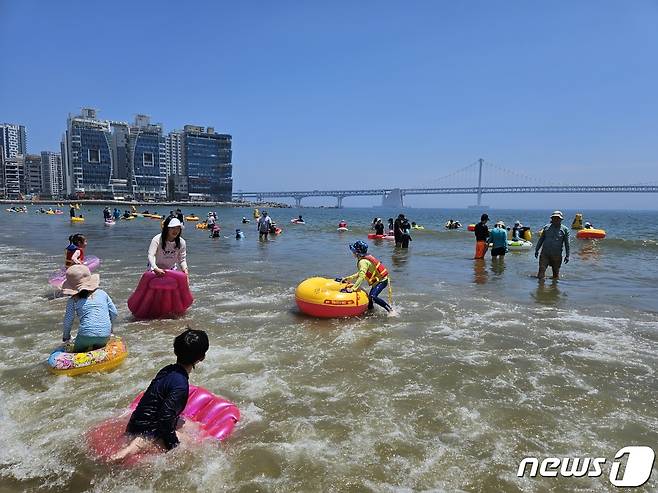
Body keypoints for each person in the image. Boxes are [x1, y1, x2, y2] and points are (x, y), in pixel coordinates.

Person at [110, 329, 209, 462]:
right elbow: (165, 418)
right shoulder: (181, 385)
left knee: (192, 426)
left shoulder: (167, 370)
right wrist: (174, 445)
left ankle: (135, 444)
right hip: (147, 430)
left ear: (176, 351)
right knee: (191, 444)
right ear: (201, 357)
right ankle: (129, 450)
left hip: (137, 422)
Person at [61, 264, 117, 352]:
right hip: (104, 334)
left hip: (85, 336)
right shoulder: (102, 293)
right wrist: (110, 329)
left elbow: (68, 321)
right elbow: (114, 312)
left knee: (77, 355)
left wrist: (66, 337)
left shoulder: (73, 300)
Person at [339, 241, 392, 313]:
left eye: (354, 250)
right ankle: (371, 311)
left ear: (357, 252)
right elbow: (360, 274)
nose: (352, 252)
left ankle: (390, 310)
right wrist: (346, 278)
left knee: (373, 296)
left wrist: (353, 289)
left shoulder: (362, 262)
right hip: (378, 281)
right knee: (370, 298)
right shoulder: (364, 260)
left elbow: (361, 276)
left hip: (382, 281)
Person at [535, 211, 570, 279]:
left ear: (561, 219)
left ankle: (554, 288)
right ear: (551, 218)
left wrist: (567, 255)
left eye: (557, 218)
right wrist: (536, 250)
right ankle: (540, 288)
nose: (555, 219)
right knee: (541, 271)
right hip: (545, 253)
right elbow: (541, 240)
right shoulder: (546, 227)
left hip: (557, 255)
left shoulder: (565, 230)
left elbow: (567, 244)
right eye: (554, 218)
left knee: (555, 274)